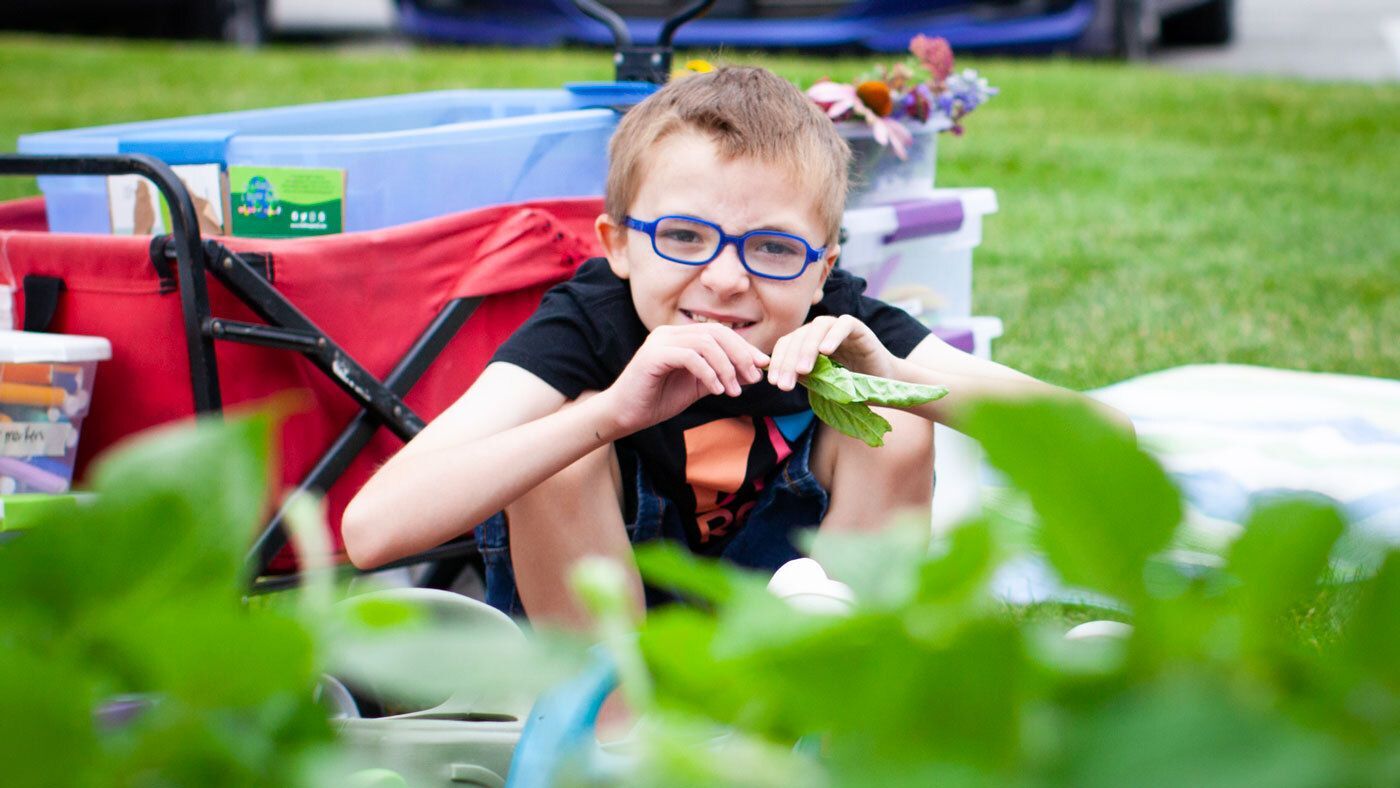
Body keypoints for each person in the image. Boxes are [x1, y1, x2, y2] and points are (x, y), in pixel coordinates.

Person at [342, 66, 1130, 628]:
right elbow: (373, 529)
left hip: (781, 614)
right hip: (593, 637)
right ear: (617, 245)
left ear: (822, 268)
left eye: (774, 249)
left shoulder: (838, 320)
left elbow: (1104, 441)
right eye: (684, 236)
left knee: (895, 421)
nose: (724, 280)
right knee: (561, 448)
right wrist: (607, 415)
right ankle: (612, 745)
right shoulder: (589, 323)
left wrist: (892, 377)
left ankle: (829, 699)